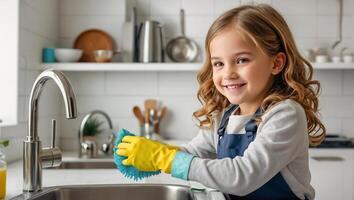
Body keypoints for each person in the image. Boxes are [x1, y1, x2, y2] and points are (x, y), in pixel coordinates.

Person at [116, 4, 326, 200]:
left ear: (276, 63)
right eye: (218, 63)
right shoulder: (224, 116)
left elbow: (243, 176)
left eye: (241, 60)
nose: (228, 73)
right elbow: (193, 153)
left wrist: (164, 159)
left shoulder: (285, 115)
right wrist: (153, 155)